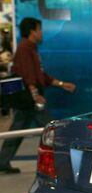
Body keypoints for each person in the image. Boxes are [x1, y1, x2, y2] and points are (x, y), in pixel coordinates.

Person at [0, 17, 76, 174]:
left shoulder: (30, 48)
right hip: (31, 100)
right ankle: (66, 163)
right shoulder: (25, 49)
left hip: (28, 101)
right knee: (51, 130)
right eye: (39, 29)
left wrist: (62, 84)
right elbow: (28, 75)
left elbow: (41, 75)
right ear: (32, 31)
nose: (42, 33)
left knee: (17, 131)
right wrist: (36, 96)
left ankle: (2, 162)